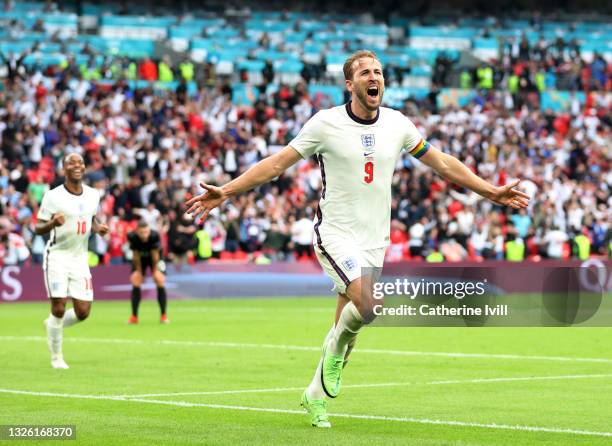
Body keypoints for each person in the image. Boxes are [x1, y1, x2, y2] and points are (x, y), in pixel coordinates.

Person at [185, 50, 531, 428]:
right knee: (367, 306)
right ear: (350, 84)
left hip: (373, 240)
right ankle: (330, 354)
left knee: (348, 334)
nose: (374, 77)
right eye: (365, 72)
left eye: (379, 72)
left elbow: (442, 162)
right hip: (334, 233)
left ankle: (314, 396)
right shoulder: (325, 123)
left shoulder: (398, 124)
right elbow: (277, 163)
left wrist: (489, 191)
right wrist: (228, 191)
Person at [36, 153, 109, 369]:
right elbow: (37, 228)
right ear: (63, 169)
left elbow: (90, 218)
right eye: (71, 163)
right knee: (58, 307)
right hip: (57, 256)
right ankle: (57, 357)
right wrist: (52, 223)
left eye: (80, 162)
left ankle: (52, 324)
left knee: (83, 312)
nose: (77, 166)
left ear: (84, 168)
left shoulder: (93, 194)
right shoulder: (53, 196)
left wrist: (98, 227)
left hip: (79, 258)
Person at [127, 220, 169, 324]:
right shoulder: (132, 237)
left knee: (159, 279)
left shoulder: (154, 236)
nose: (144, 235)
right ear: (137, 231)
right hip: (140, 259)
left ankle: (163, 316)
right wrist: (139, 272)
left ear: (149, 230)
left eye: (146, 232)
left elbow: (155, 256)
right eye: (142, 232)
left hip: (156, 258)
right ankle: (134, 317)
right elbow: (135, 255)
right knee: (136, 280)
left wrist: (155, 272)